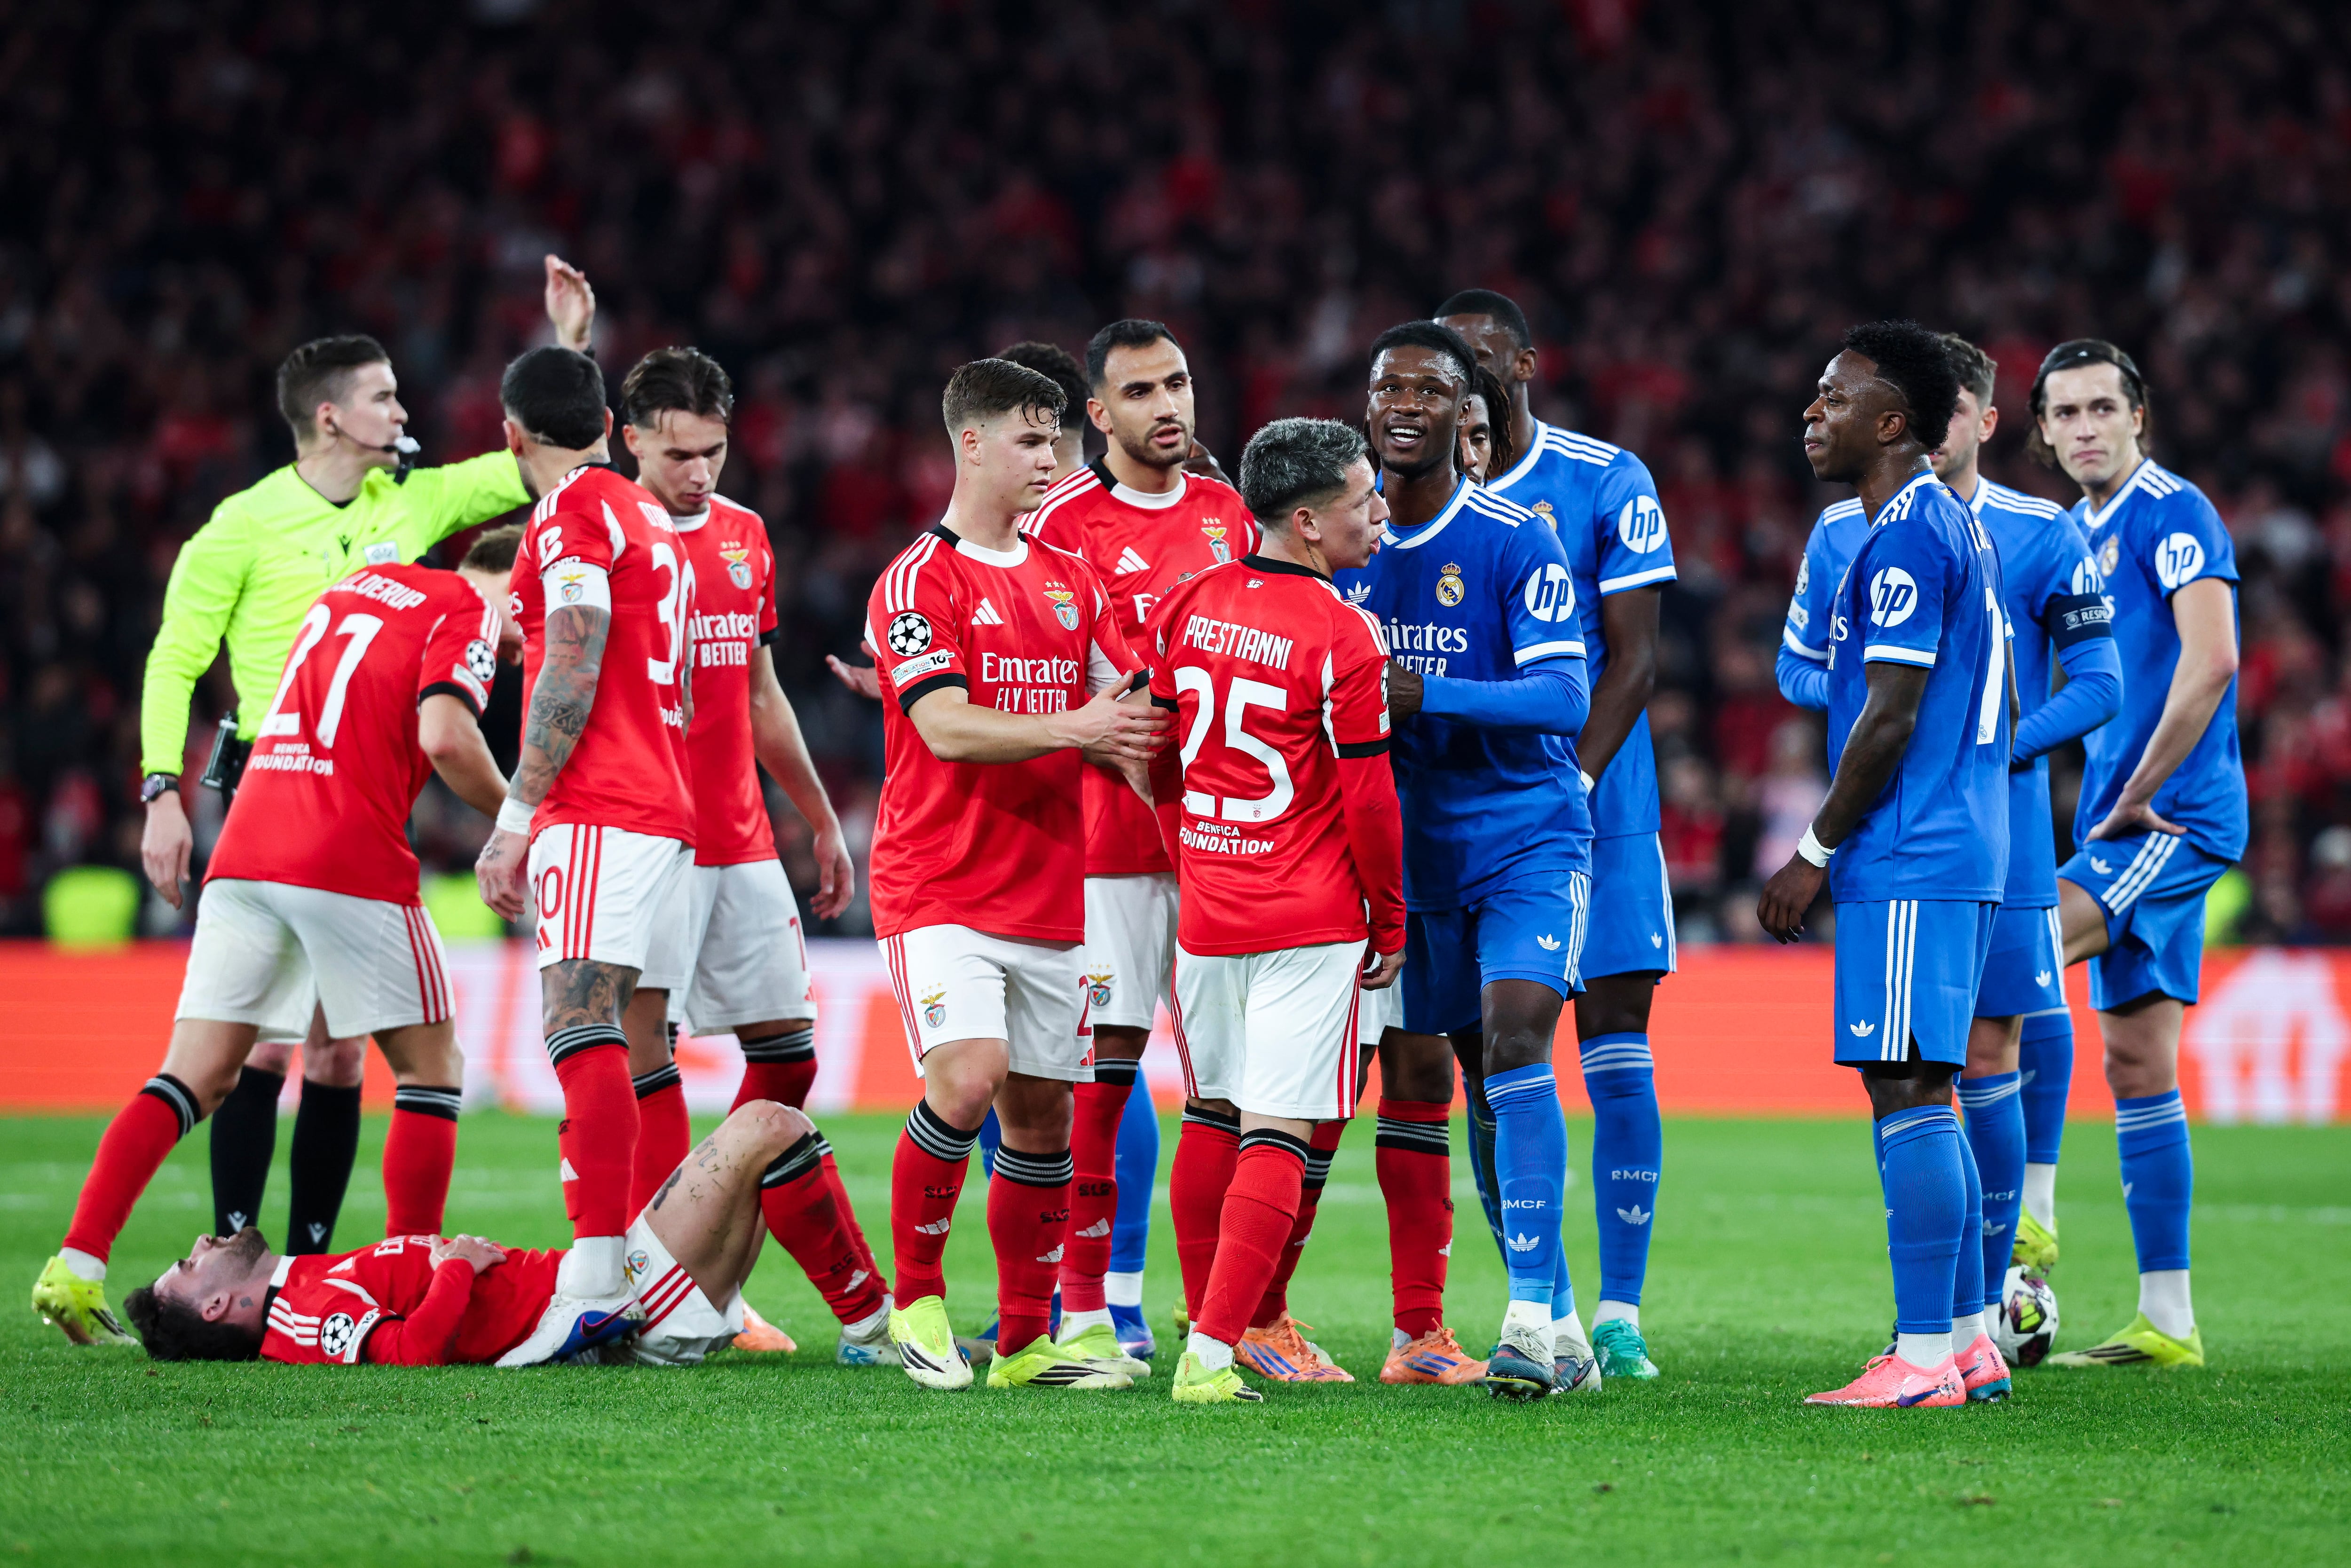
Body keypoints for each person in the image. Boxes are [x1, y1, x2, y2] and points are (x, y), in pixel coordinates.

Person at [136, 260, 591, 1259]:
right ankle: (233, 1245)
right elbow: (176, 657)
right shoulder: (242, 526)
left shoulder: (413, 501)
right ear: (332, 417)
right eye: (384, 395)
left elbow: (537, 462)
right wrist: (160, 789)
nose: (404, 408)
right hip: (272, 774)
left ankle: (303, 1260)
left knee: (341, 1056)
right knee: (267, 1039)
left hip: (374, 785)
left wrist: (566, 353)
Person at [32, 536, 522, 1344]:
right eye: (525, 621)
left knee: (193, 1077)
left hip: (248, 846)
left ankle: (78, 1265)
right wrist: (518, 818)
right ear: (510, 576)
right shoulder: (466, 604)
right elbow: (445, 737)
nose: (519, 642)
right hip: (346, 850)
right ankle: (409, 1280)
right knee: (432, 1070)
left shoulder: (356, 585)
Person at [864, 358, 1165, 1392]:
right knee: (969, 1078)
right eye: (1034, 441)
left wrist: (1148, 749)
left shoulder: (1069, 578)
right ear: (973, 444)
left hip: (1050, 888)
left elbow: (1117, 709)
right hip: (938, 884)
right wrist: (1078, 726)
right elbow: (943, 726)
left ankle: (1027, 1341)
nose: (1053, 459)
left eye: (1057, 441)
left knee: (1043, 1119)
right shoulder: (918, 579)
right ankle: (919, 1302)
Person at [1333, 320, 1594, 1399]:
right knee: (1478, 1079)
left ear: (1464, 414)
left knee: (1516, 1037)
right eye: (1387, 386)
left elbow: (1565, 699)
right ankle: (1562, 1316)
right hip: (1419, 859)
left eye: (1429, 391)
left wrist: (1423, 691)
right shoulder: (1343, 553)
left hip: (1527, 835)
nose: (1403, 404)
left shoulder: (1512, 538)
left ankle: (1526, 1315)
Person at [1757, 320, 2014, 1409]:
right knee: (1927, 1087)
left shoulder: (1906, 537)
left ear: (1892, 423)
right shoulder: (1938, 526)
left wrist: (1810, 850)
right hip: (1952, 840)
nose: (1811, 413)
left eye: (1833, 397)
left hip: (1909, 846)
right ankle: (1963, 1339)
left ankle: (1918, 1359)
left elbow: (1888, 716)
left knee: (1905, 1081)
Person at [611, 346, 879, 1363]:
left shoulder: (744, 536)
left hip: (739, 837)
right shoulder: (603, 540)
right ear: (629, 438)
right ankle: (657, 1291)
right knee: (647, 1061)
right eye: (677, 453)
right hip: (639, 837)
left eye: (713, 452)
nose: (698, 473)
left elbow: (758, 692)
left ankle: (703, 1268)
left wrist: (814, 815)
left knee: (789, 1055)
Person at [1439, 287, 1675, 1382]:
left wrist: (1572, 781)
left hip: (1596, 798)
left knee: (1617, 1043)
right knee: (1494, 1055)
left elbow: (1632, 659)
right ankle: (1555, 1314)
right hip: (1464, 813)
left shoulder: (1604, 478)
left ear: (1527, 360)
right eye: (1453, 363)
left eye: (1487, 357)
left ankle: (1621, 1311)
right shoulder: (1409, 499)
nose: (1473, 377)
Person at [1146, 418, 1405, 1404]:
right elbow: (1370, 800)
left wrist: (1188, 851)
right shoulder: (1343, 631)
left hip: (1209, 910)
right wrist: (1390, 916)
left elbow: (1157, 750)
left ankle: (1201, 1321)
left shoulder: (1187, 605)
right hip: (1307, 914)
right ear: (1306, 522)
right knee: (1279, 1130)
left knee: (1211, 1114)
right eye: (1359, 499)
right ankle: (1216, 1353)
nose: (1374, 513)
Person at [1021, 320, 1262, 1371]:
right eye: (1140, 392)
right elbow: (1036, 661)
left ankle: (1221, 1318)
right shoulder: (1060, 521)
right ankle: (1089, 1305)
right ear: (1098, 412)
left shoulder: (1228, 513)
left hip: (1220, 836)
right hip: (1109, 837)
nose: (1168, 406)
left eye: (1178, 383)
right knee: (1104, 1065)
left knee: (1224, 1083)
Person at [471, 346, 699, 1368]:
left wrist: (517, 812)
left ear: (512, 437)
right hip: (664, 805)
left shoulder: (570, 510)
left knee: (578, 1018)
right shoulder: (647, 510)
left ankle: (600, 1281)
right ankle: (665, 1282)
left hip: (602, 803)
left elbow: (573, 648)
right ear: (611, 421)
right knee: (637, 1043)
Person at [2029, 340, 2241, 1371]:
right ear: (2039, 431)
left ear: (2137, 416)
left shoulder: (2175, 513)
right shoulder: (2070, 535)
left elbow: (2212, 660)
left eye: (2100, 410)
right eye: (2063, 414)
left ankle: (2028, 1216)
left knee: (2018, 956)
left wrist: (2140, 788)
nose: (2083, 430)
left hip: (2173, 817)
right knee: (2135, 1061)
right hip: (2120, 822)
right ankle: (2168, 1320)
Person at [118, 1100, 875, 1369]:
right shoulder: (298, 1316)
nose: (201, 1245)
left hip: (614, 1292)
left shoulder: (301, 1285)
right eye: (187, 1268)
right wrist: (455, 1266)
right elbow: (412, 1355)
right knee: (769, 1127)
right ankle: (875, 1328)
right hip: (622, 1305)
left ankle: (867, 1326)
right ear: (216, 1309)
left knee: (781, 1137)